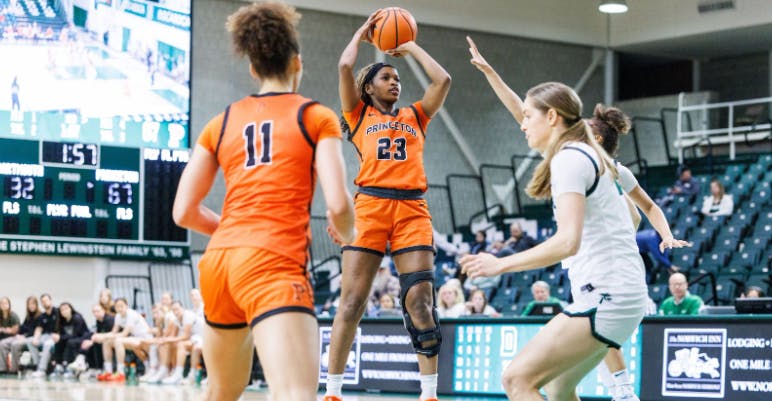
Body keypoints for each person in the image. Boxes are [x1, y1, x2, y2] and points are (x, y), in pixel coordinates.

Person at [171, 3, 355, 401]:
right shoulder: (316, 116)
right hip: (272, 260)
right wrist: (349, 235)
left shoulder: (220, 122)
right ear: (297, 63)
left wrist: (233, 234)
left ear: (253, 69)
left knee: (222, 391)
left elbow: (183, 211)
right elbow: (339, 205)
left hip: (219, 263)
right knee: (295, 393)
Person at [460, 36, 659, 401]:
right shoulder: (580, 153)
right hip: (622, 293)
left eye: (529, 117)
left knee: (516, 380)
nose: (522, 124)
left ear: (551, 117)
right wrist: (491, 75)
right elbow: (518, 110)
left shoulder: (571, 159)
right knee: (559, 388)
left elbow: (568, 242)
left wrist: (500, 264)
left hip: (608, 294)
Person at [323, 9, 451, 401]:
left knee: (420, 302)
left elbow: (443, 80)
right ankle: (332, 391)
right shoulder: (357, 114)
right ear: (369, 87)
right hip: (370, 208)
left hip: (412, 210)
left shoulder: (417, 115)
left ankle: (428, 393)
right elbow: (344, 65)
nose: (395, 82)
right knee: (351, 303)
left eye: (397, 78)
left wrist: (409, 46)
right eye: (386, 78)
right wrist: (362, 33)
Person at [590, 103, 690, 401]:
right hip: (596, 264)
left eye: (586, 128)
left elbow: (646, 209)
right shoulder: (581, 166)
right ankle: (619, 391)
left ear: (597, 139)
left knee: (597, 329)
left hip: (610, 268)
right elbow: (637, 214)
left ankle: (623, 391)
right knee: (585, 350)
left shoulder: (614, 172)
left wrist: (667, 235)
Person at [96, 297, 153, 381]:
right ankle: (108, 371)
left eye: (121, 306)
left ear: (126, 306)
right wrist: (101, 336)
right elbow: (114, 332)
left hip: (146, 339)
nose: (119, 308)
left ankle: (120, 373)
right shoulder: (118, 316)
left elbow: (124, 334)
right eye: (117, 307)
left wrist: (103, 336)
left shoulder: (131, 314)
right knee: (107, 342)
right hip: (135, 339)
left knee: (118, 341)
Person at [160, 301, 204, 384]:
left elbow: (186, 336)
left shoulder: (188, 316)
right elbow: (173, 336)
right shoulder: (176, 320)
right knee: (172, 344)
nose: (176, 312)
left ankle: (187, 375)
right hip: (194, 339)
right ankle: (170, 371)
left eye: (177, 309)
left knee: (182, 345)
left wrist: (168, 339)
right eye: (173, 310)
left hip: (203, 337)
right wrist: (165, 340)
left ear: (182, 308)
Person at [70, 304, 114, 375]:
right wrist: (91, 341)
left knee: (95, 344)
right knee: (85, 341)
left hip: (112, 340)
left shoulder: (109, 320)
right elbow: (99, 333)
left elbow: (112, 334)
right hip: (103, 339)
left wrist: (92, 341)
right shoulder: (98, 321)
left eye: (98, 311)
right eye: (94, 312)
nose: (96, 313)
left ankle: (98, 368)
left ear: (103, 310)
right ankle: (86, 363)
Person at [0, 296, 39, 374]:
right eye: (29, 304)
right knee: (2, 343)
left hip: (29, 338)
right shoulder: (28, 316)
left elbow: (35, 330)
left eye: (33, 304)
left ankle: (14, 370)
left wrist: (23, 335)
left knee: (15, 344)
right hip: (19, 336)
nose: (31, 306)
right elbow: (22, 328)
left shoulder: (40, 316)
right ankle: (2, 368)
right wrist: (19, 334)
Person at [51, 302, 91, 379]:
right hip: (71, 338)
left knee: (70, 342)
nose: (64, 311)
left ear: (71, 309)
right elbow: (63, 335)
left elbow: (75, 334)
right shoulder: (62, 321)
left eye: (66, 309)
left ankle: (69, 366)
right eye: (62, 310)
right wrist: (58, 338)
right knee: (58, 342)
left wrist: (60, 337)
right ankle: (59, 365)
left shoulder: (77, 318)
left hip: (83, 338)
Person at [28, 293, 58, 378]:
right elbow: (39, 329)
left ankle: (42, 370)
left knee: (47, 344)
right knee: (30, 341)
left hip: (55, 337)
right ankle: (37, 366)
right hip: (45, 336)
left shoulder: (58, 312)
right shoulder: (42, 316)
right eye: (43, 302)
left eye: (46, 300)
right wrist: (36, 338)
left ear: (50, 300)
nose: (45, 303)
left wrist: (58, 335)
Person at [0, 296, 20, 373]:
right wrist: (7, 330)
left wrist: (3, 330)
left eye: (5, 303)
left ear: (9, 304)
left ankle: (5, 369)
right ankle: (2, 367)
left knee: (2, 344)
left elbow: (15, 331)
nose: (4, 305)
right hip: (2, 337)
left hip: (13, 337)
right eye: (2, 303)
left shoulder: (13, 316)